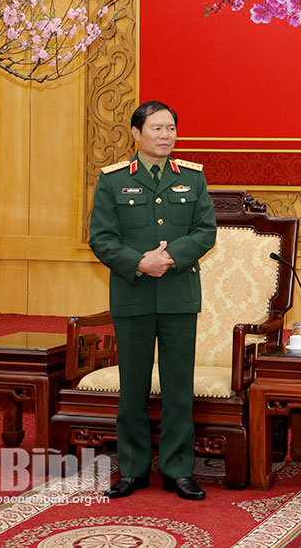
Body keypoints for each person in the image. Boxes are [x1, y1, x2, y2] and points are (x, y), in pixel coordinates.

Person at [89, 100, 217, 500]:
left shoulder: (192, 178)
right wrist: (140, 262)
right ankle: (133, 470)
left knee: (178, 388)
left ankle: (178, 471)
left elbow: (205, 231)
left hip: (179, 296)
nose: (166, 136)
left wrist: (170, 257)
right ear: (136, 133)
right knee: (133, 388)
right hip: (133, 296)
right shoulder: (113, 181)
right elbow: (101, 238)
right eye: (157, 128)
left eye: (171, 128)